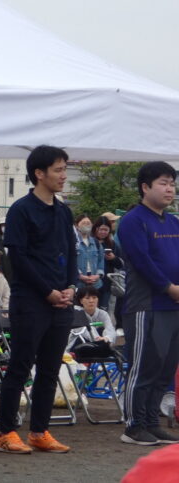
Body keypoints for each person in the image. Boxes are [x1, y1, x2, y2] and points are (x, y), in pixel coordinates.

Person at [0, 145, 77, 454]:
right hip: (30, 300)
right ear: (39, 173)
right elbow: (18, 257)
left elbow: (71, 252)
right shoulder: (21, 209)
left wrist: (71, 286)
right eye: (58, 170)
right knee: (20, 366)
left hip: (61, 301)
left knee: (50, 369)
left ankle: (40, 431)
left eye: (64, 169)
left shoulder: (63, 210)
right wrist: (47, 292)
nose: (63, 175)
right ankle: (5, 433)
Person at [116, 161, 179, 446]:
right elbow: (142, 261)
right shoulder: (134, 220)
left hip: (173, 306)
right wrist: (169, 288)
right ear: (145, 187)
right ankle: (134, 426)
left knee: (164, 368)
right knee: (142, 367)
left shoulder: (173, 221)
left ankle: (152, 422)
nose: (170, 189)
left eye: (172, 183)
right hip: (146, 305)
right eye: (163, 183)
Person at [67, 285, 116, 351]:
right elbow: (86, 328)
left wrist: (106, 338)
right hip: (77, 343)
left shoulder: (103, 314)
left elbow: (110, 328)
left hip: (97, 342)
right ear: (81, 301)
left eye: (94, 297)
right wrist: (97, 340)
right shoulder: (77, 311)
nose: (91, 301)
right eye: (87, 298)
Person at [93, 214, 122, 310]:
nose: (103, 232)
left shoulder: (112, 244)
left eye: (106, 230)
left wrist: (113, 258)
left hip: (106, 283)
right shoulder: (90, 242)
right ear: (95, 228)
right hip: (92, 282)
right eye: (101, 229)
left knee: (103, 310)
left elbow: (120, 264)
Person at [75, 213, 105, 296]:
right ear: (77, 226)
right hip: (78, 283)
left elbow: (101, 261)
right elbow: (70, 262)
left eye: (88, 223)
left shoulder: (96, 242)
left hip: (95, 284)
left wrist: (98, 275)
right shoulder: (73, 242)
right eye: (83, 223)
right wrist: (80, 276)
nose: (86, 225)